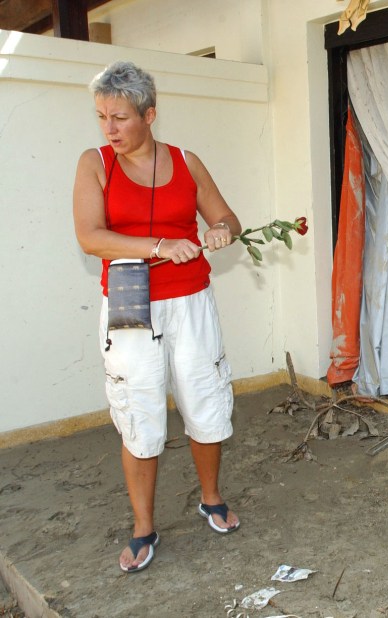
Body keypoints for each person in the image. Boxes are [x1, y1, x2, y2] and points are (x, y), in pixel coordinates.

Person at [73, 61, 241, 574]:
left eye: (119, 117)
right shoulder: (95, 163)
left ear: (150, 114)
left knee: (204, 400)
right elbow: (90, 236)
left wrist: (220, 232)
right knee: (139, 411)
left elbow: (227, 217)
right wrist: (160, 245)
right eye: (102, 116)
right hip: (128, 300)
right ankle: (144, 527)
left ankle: (210, 498)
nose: (109, 128)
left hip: (190, 300)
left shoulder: (186, 161)